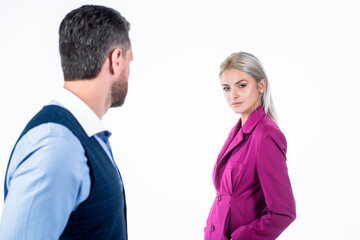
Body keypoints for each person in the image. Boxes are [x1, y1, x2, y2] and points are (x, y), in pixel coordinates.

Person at [0, 5, 132, 239]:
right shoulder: (57, 145)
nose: (129, 72)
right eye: (130, 61)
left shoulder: (81, 135)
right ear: (116, 59)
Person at [204, 52, 296, 240]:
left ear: (261, 85)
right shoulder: (238, 131)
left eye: (242, 85)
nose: (233, 95)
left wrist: (240, 238)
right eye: (226, 88)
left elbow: (284, 213)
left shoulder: (266, 135)